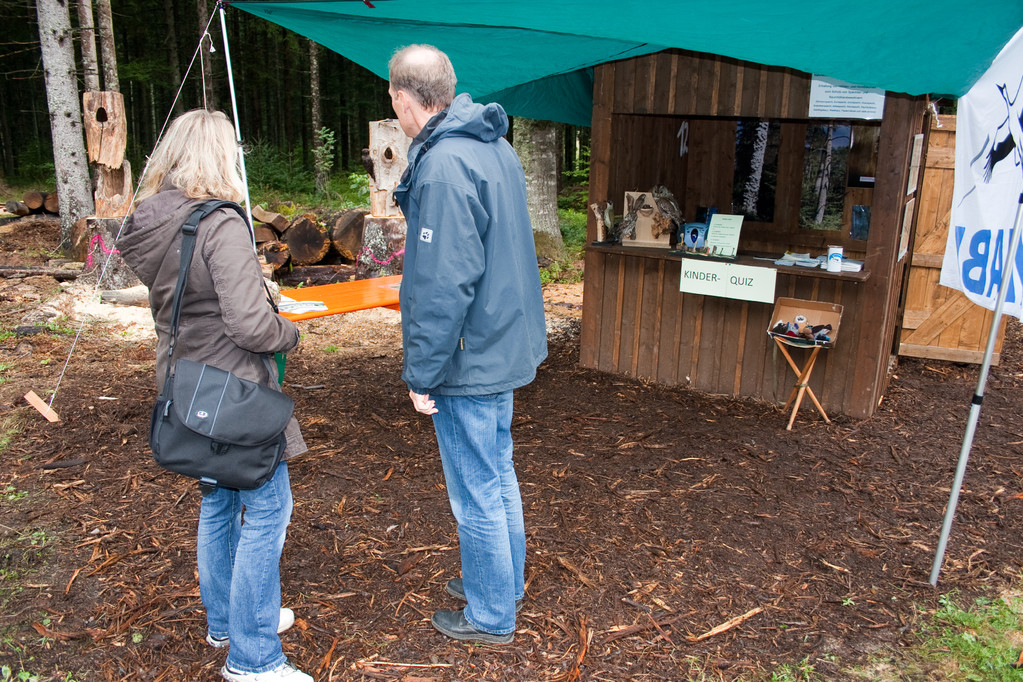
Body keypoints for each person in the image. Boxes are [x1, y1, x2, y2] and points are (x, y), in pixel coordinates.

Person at [116, 109, 312, 682]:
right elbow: (251, 325)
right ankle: (253, 657)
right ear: (218, 155)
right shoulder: (218, 222)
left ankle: (228, 619)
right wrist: (290, 331)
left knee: (220, 501)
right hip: (231, 387)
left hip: (183, 380)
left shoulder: (154, 221)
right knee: (268, 507)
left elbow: (193, 300)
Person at [388, 45, 548, 645]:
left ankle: (489, 614)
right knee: (496, 472)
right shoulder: (492, 145)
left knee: (476, 487)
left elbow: (439, 282)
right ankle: (501, 581)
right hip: (501, 338)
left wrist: (422, 372)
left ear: (405, 100)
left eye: (394, 102)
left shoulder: (445, 164)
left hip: (470, 353)